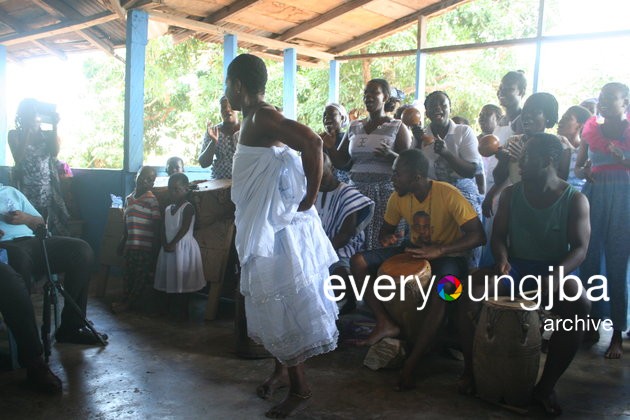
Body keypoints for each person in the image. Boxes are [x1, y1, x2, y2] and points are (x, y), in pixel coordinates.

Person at [227, 53, 339, 418]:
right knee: (273, 300)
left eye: (229, 85)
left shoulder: (263, 116)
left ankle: (300, 389)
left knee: (281, 301)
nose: (226, 92)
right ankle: (280, 370)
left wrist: (310, 195)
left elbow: (313, 142)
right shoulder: (252, 118)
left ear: (239, 85)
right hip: (265, 222)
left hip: (274, 229)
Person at [467, 134, 591, 415]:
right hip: (516, 267)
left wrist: (556, 276)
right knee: (468, 288)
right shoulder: (511, 194)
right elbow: (497, 237)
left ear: (548, 161)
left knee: (580, 304)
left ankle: (545, 388)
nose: (520, 163)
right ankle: (471, 373)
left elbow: (581, 249)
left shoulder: (575, 199)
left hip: (553, 270)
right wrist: (502, 260)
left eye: (527, 158)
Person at [349, 149, 485, 391]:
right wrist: (387, 238)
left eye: (397, 174)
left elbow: (479, 235)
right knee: (358, 261)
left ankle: (413, 361)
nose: (393, 179)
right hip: (412, 250)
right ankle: (385, 322)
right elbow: (385, 231)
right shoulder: (398, 196)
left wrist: (440, 251)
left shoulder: (448, 194)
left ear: (417, 177)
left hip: (451, 259)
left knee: (442, 294)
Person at [0, 185, 108, 392]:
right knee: (17, 263)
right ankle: (30, 353)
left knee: (81, 250)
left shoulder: (10, 192)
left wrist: (26, 219)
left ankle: (71, 327)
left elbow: (40, 222)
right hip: (6, 247)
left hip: (34, 242)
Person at [575, 82, 630, 359]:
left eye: (612, 98)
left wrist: (626, 159)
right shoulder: (590, 129)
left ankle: (617, 334)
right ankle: (591, 325)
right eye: (602, 97)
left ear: (626, 103)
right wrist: (584, 171)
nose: (605, 101)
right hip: (595, 195)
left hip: (623, 197)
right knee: (590, 261)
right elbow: (578, 166)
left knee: (618, 263)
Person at [326, 78, 412, 250]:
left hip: (386, 194)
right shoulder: (354, 126)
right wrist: (329, 148)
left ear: (386, 97)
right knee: (355, 242)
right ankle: (357, 274)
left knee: (383, 243)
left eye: (374, 93)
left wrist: (391, 155)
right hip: (356, 193)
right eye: (366, 93)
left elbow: (409, 164)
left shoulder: (397, 126)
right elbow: (344, 163)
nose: (368, 97)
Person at [420, 91, 484, 267]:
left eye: (443, 104)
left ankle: (466, 282)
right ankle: (440, 284)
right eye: (432, 105)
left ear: (449, 108)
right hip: (433, 194)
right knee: (436, 245)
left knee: (466, 248)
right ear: (426, 112)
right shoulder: (422, 135)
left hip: (462, 191)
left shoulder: (463, 132)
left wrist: (447, 154)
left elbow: (472, 170)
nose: (438, 108)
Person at [484, 92, 571, 219]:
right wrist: (502, 162)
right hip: (515, 204)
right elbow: (499, 179)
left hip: (544, 207)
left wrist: (525, 159)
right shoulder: (513, 141)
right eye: (525, 111)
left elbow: (561, 180)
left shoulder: (560, 144)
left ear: (548, 117)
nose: (527, 115)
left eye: (535, 112)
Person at [316, 154, 374, 315]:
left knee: (340, 275)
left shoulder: (348, 194)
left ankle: (349, 300)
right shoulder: (308, 192)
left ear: (332, 169)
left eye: (322, 172)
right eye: (312, 173)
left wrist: (321, 254)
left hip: (340, 248)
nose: (317, 177)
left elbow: (345, 235)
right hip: (315, 247)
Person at [8, 98, 70, 236]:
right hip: (24, 191)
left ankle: (45, 252)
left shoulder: (47, 136)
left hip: (46, 191)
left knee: (45, 227)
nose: (34, 116)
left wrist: (55, 125)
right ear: (22, 115)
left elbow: (54, 152)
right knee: (26, 227)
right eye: (29, 113)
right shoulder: (14, 134)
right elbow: (17, 158)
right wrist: (27, 130)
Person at [154, 173, 205, 319]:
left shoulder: (188, 207)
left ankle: (183, 311)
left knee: (183, 279)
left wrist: (172, 243)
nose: (173, 193)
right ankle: (169, 309)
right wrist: (165, 243)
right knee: (171, 277)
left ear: (186, 189)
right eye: (171, 189)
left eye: (177, 189)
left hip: (183, 248)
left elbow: (184, 228)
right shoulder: (168, 208)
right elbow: (162, 228)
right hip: (168, 247)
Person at [114, 166, 161, 313]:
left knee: (140, 278)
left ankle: (128, 304)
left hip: (144, 247)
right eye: (143, 177)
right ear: (136, 177)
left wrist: (155, 247)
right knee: (128, 275)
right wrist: (123, 240)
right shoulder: (129, 198)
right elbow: (127, 223)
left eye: (151, 180)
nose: (146, 181)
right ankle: (125, 299)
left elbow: (157, 224)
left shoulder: (151, 200)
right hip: (130, 245)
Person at [198, 96, 240, 179]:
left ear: (238, 109)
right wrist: (213, 141)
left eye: (231, 106)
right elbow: (203, 163)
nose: (227, 110)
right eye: (223, 107)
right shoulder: (213, 132)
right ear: (220, 111)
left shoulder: (247, 129)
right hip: (220, 182)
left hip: (244, 181)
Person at [557, 105, 592, 190]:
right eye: (562, 117)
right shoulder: (554, 147)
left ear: (580, 126)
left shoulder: (588, 151)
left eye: (567, 118)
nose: (561, 121)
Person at [320, 103, 351, 184]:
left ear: (342, 118)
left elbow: (345, 165)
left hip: (343, 186)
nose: (326, 117)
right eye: (325, 115)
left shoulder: (347, 138)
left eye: (332, 114)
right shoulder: (320, 139)